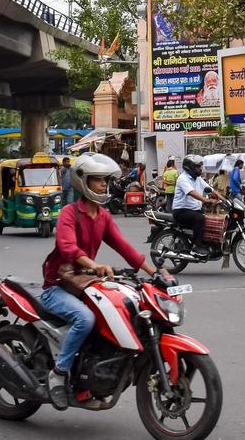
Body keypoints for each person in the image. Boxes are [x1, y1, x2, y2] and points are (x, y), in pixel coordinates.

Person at [40, 152, 168, 410]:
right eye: (98, 180)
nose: (103, 185)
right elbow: (67, 249)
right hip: (57, 286)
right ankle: (59, 372)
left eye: (105, 181)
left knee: (120, 310)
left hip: (84, 284)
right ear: (84, 182)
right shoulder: (68, 213)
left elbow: (125, 248)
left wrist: (155, 271)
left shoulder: (103, 216)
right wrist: (95, 265)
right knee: (85, 319)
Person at [172, 155, 222, 258]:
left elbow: (210, 189)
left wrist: (224, 199)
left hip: (194, 210)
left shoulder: (197, 179)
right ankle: (196, 247)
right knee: (199, 218)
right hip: (181, 211)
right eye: (197, 167)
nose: (200, 169)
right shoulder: (183, 179)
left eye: (200, 166)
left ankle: (209, 245)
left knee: (209, 220)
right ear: (189, 167)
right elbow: (192, 193)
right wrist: (206, 200)